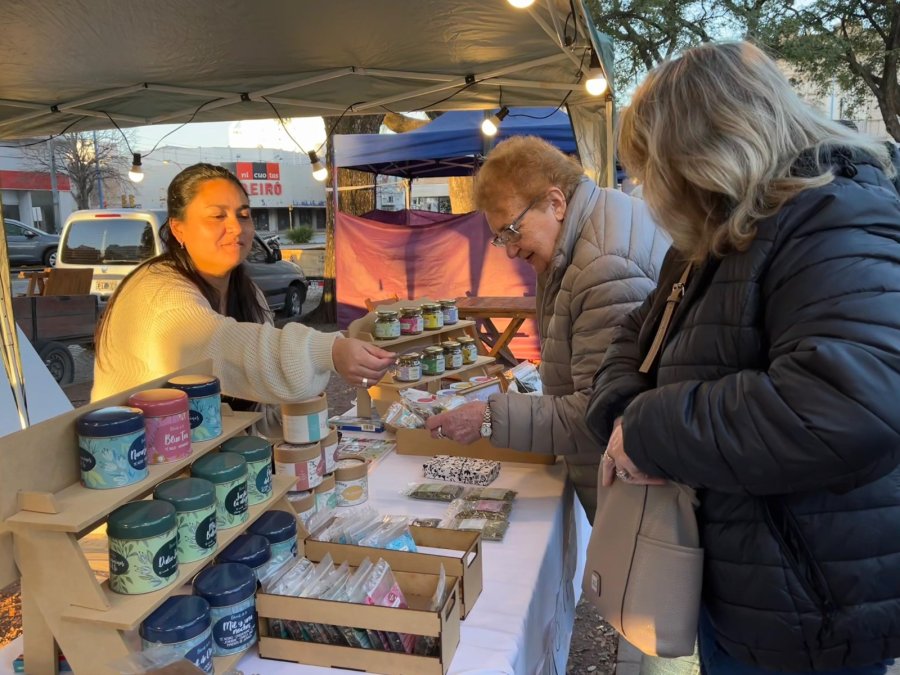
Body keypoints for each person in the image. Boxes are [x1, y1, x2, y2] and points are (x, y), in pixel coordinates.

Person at [586, 41, 900, 673]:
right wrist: (622, 410)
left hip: (813, 610)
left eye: (654, 166)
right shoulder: (717, 227)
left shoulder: (834, 217)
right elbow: (637, 335)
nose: (647, 187)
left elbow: (845, 403)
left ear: (702, 151)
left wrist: (649, 429)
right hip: (750, 581)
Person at [423, 135, 670, 518]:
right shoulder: (584, 232)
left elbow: (599, 412)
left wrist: (489, 417)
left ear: (555, 203)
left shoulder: (604, 266)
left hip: (636, 500)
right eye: (499, 238)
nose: (509, 250)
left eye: (511, 231)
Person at [93, 163, 395, 424]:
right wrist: (326, 351)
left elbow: (255, 404)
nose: (236, 228)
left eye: (243, 215)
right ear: (178, 228)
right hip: (138, 469)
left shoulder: (247, 291)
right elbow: (224, 345)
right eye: (217, 217)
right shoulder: (158, 291)